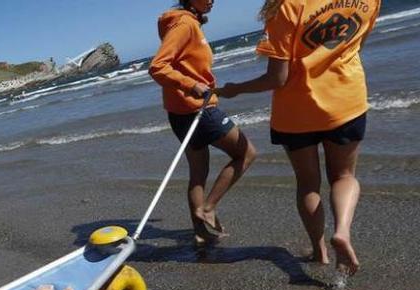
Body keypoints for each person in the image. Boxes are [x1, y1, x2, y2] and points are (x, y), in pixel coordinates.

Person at [216, 0, 381, 276]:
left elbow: (277, 78)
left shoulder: (287, 6)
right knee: (343, 176)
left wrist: (235, 89)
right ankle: (342, 231)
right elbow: (356, 42)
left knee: (308, 184)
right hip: (346, 101)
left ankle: (320, 253)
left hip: (296, 114)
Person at [149, 0, 256, 247]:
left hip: (179, 110)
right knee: (247, 153)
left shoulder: (184, 22)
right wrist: (191, 84)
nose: (211, 0)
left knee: (199, 172)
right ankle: (208, 208)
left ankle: (200, 232)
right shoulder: (185, 23)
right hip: (198, 109)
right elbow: (157, 67)